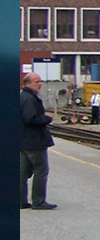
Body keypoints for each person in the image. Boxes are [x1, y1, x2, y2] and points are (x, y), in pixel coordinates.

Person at [20, 73, 57, 210]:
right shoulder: (29, 99)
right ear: (27, 83)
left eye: (40, 81)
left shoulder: (24, 97)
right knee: (41, 171)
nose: (39, 84)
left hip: (24, 140)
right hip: (34, 140)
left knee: (23, 172)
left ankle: (20, 201)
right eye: (36, 82)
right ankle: (38, 201)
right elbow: (31, 118)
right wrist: (47, 119)